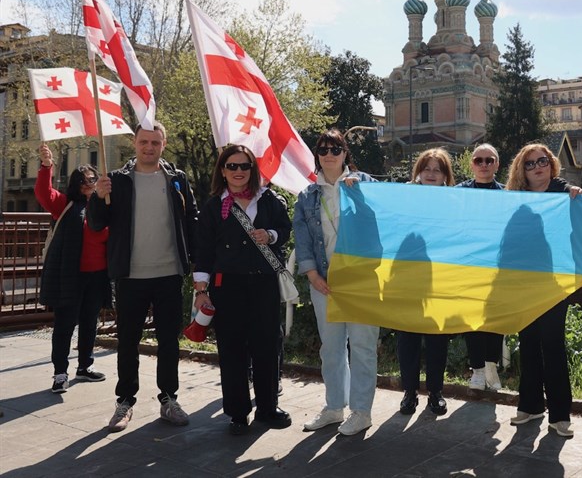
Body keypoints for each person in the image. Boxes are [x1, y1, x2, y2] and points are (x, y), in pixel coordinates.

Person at [88, 122, 198, 433]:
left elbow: (191, 220)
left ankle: (169, 399)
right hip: (130, 275)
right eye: (144, 142)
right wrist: (97, 196)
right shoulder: (117, 180)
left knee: (169, 341)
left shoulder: (177, 179)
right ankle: (125, 401)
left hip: (169, 274)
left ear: (164, 144)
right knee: (128, 341)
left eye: (155, 142)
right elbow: (96, 224)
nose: (149, 147)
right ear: (134, 143)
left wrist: (197, 264)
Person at [194, 145, 292, 435]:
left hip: (263, 283)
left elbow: (284, 230)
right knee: (232, 348)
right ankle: (237, 412)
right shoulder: (214, 206)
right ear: (223, 171)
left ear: (253, 169)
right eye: (232, 166)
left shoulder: (270, 200)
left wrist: (270, 235)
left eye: (244, 166)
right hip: (228, 285)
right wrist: (201, 290)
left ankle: (267, 407)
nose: (239, 171)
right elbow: (204, 250)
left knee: (267, 345)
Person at [293, 129, 379, 436]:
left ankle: (361, 411)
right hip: (324, 282)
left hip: (361, 281)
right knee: (331, 348)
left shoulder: (364, 183)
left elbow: (382, 219)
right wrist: (312, 275)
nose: (329, 154)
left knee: (363, 346)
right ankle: (333, 407)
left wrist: (359, 194)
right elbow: (302, 239)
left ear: (345, 153)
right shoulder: (307, 196)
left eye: (335, 149)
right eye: (323, 149)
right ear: (317, 155)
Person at [506, 143, 582, 437]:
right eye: (530, 163)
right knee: (527, 343)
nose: (538, 167)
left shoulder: (565, 194)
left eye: (543, 161)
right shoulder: (515, 201)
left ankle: (560, 415)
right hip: (523, 282)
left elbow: (577, 221)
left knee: (552, 345)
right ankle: (531, 405)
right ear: (521, 171)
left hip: (553, 282)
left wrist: (576, 195)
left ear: (551, 164)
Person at [35, 143, 111, 393]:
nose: (89, 183)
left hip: (97, 276)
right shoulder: (66, 204)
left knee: (90, 322)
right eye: (84, 180)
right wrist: (47, 166)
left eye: (92, 179)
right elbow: (44, 193)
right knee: (65, 325)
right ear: (76, 185)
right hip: (71, 276)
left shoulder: (106, 206)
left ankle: (85, 366)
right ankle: (60, 373)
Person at [396, 148, 454, 416]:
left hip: (440, 279)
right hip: (406, 277)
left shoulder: (456, 201)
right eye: (426, 168)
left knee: (437, 339)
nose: (431, 174)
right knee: (407, 337)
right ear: (418, 172)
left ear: (445, 175)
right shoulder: (404, 198)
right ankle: (409, 392)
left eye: (437, 170)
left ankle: (435, 392)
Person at [455, 143, 505, 391]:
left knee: (495, 316)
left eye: (489, 160)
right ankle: (477, 370)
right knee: (472, 317)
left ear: (497, 164)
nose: (484, 165)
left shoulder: (508, 194)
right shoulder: (458, 193)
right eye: (478, 160)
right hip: (469, 264)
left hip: (497, 266)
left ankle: (491, 367)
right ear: (471, 164)